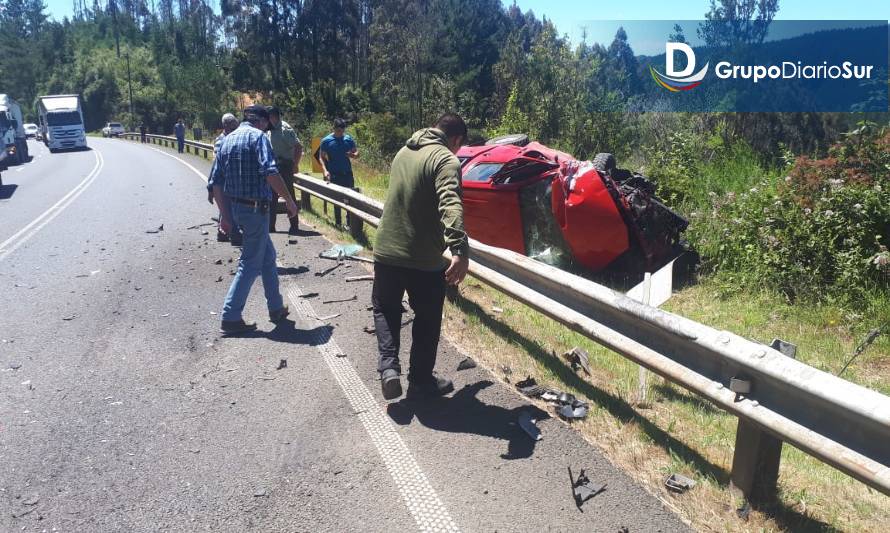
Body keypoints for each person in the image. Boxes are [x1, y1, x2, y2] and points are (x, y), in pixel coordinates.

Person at [372, 113, 470, 400]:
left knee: (386, 310)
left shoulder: (403, 152)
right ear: (456, 139)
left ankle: (389, 368)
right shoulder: (446, 160)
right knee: (427, 319)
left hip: (386, 250)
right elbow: (450, 204)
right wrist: (459, 250)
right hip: (422, 257)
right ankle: (420, 381)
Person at [210, 105, 299, 335]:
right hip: (255, 210)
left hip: (237, 209)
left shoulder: (227, 140)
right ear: (260, 120)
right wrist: (289, 200)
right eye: (266, 123)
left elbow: (215, 182)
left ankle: (276, 307)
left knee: (268, 257)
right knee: (250, 263)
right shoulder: (259, 138)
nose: (267, 127)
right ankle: (230, 316)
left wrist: (226, 216)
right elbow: (270, 171)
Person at [266, 106, 303, 235]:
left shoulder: (284, 129)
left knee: (289, 195)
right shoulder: (270, 129)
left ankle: (294, 226)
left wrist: (295, 164)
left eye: (268, 117)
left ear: (274, 117)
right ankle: (270, 225)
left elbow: (298, 147)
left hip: (285, 165)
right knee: (271, 196)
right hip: (274, 165)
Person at [208, 113, 241, 245]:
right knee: (229, 206)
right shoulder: (222, 140)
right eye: (232, 126)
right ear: (226, 126)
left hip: (225, 178)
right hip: (225, 178)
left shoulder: (222, 138)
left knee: (226, 206)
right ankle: (233, 232)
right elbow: (217, 162)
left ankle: (223, 232)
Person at [318, 118, 358, 227]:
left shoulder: (348, 139)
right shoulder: (326, 141)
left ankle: (349, 224)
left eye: (342, 130)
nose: (340, 133)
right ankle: (338, 223)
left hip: (347, 174)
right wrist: (325, 171)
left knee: (350, 199)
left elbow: (356, 152)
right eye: (338, 130)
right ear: (334, 128)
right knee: (337, 200)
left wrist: (354, 155)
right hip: (334, 174)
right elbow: (321, 157)